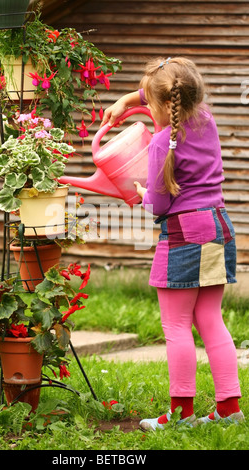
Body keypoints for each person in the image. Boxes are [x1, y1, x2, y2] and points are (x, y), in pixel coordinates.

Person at [101, 57, 244, 431]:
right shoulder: (205, 119)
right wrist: (131, 101)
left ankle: (179, 415)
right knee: (211, 320)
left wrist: (145, 193)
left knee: (176, 326)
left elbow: (161, 204)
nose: (144, 107)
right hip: (218, 225)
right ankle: (230, 409)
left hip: (183, 233)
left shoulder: (160, 145)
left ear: (165, 106)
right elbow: (171, 94)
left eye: (148, 103)